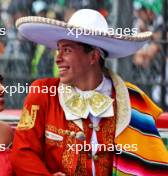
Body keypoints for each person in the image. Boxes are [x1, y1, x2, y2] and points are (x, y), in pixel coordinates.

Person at [10, 9, 168, 176]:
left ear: (93, 57)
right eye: (59, 49)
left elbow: (149, 164)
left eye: (67, 50)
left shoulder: (130, 99)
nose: (58, 58)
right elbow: (22, 153)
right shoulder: (43, 92)